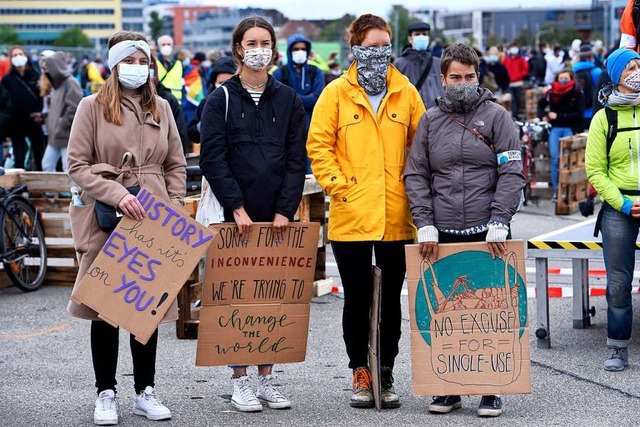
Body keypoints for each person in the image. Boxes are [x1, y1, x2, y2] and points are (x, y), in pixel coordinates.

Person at [66, 30, 186, 425]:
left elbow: (176, 164)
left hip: (153, 217)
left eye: (143, 61)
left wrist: (172, 205)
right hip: (107, 213)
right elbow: (77, 165)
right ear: (114, 65)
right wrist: (116, 193)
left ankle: (145, 391)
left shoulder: (162, 108)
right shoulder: (90, 106)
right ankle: (105, 392)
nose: (137, 68)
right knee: (104, 307)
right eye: (129, 61)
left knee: (144, 306)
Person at [307, 13, 426, 409]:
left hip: (396, 216)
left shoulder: (406, 92)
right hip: (351, 216)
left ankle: (386, 370)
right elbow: (318, 147)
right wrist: (340, 187)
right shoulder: (336, 93)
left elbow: (421, 146)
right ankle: (360, 370)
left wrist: (412, 189)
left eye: (384, 46)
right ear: (355, 47)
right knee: (357, 299)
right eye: (372, 46)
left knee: (390, 301)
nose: (380, 53)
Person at [404, 43, 525, 417]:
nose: (462, 83)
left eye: (469, 77)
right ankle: (447, 388)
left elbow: (512, 171)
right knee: (446, 312)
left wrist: (500, 219)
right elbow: (416, 173)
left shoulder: (497, 117)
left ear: (478, 76)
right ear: (443, 79)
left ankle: (492, 387)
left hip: (487, 230)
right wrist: (423, 221)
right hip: (441, 231)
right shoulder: (429, 121)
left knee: (489, 309)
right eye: (455, 77)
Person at [199, 15, 306, 413]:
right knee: (236, 298)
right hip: (235, 217)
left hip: (277, 218)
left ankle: (266, 378)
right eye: (251, 42)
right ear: (239, 48)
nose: (259, 48)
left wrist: (284, 210)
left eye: (266, 41)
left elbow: (297, 159)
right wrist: (236, 207)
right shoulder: (220, 99)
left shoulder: (288, 99)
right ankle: (239, 380)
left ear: (274, 48)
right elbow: (213, 157)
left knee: (273, 296)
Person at [585, 48, 640, 372]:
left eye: (639, 64)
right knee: (618, 282)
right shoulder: (604, 119)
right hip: (619, 208)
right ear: (616, 76)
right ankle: (618, 347)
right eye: (630, 67)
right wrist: (623, 203)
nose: (637, 70)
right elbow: (595, 170)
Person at [273, 34, 325, 174]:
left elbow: (318, 99)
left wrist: (292, 97)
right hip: (286, 130)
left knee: (313, 169)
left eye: (303, 48)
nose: (300, 51)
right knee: (290, 169)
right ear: (290, 51)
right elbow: (278, 101)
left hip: (312, 128)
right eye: (296, 49)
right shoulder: (280, 73)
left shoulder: (315, 72)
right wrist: (306, 97)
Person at [537, 69, 585, 201]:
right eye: (561, 78)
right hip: (555, 128)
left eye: (566, 78)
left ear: (571, 79)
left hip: (569, 129)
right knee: (554, 159)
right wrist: (544, 116)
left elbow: (579, 114)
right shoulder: (551, 93)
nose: (563, 80)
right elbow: (540, 105)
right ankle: (556, 190)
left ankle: (566, 191)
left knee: (566, 161)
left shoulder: (576, 93)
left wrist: (560, 116)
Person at [1, 45, 45, 170]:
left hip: (34, 121)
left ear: (26, 56)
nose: (18, 57)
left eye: (20, 54)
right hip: (16, 122)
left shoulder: (36, 76)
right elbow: (5, 101)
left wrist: (39, 113)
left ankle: (40, 184)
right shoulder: (7, 79)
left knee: (38, 154)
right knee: (18, 155)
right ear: (11, 59)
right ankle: (19, 186)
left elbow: (41, 97)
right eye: (14, 55)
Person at [39, 51, 82, 172]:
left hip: (66, 135)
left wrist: (62, 124)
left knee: (67, 168)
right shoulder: (57, 86)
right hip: (55, 135)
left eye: (48, 68)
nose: (46, 71)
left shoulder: (70, 83)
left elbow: (75, 108)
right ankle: (50, 191)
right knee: (47, 165)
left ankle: (69, 191)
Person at [393, 21, 444, 109]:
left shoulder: (438, 63)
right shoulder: (399, 64)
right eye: (417, 34)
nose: (421, 37)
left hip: (436, 116)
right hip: (410, 115)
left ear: (428, 37)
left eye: (424, 34)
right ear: (410, 39)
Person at [188, 56, 236, 144]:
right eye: (221, 83)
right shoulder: (207, 103)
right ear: (214, 83)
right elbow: (193, 134)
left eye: (229, 82)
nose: (225, 86)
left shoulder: (245, 102)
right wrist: (206, 123)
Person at [149, 55, 189, 153]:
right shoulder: (110, 102)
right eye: (129, 61)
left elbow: (179, 137)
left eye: (149, 65)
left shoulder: (167, 100)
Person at [573, 43, 603, 131]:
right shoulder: (597, 71)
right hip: (593, 112)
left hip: (577, 112)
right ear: (591, 56)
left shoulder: (572, 71)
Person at [503, 43, 529, 120]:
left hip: (518, 83)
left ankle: (518, 116)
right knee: (512, 101)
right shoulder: (506, 59)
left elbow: (525, 70)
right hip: (509, 83)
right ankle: (514, 116)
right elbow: (503, 69)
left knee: (519, 100)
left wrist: (519, 76)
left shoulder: (521, 59)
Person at [156, 35, 184, 103]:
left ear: (172, 46)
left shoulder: (178, 64)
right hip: (160, 101)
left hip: (176, 101)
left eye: (168, 44)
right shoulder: (154, 63)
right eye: (163, 44)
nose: (166, 46)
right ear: (158, 46)